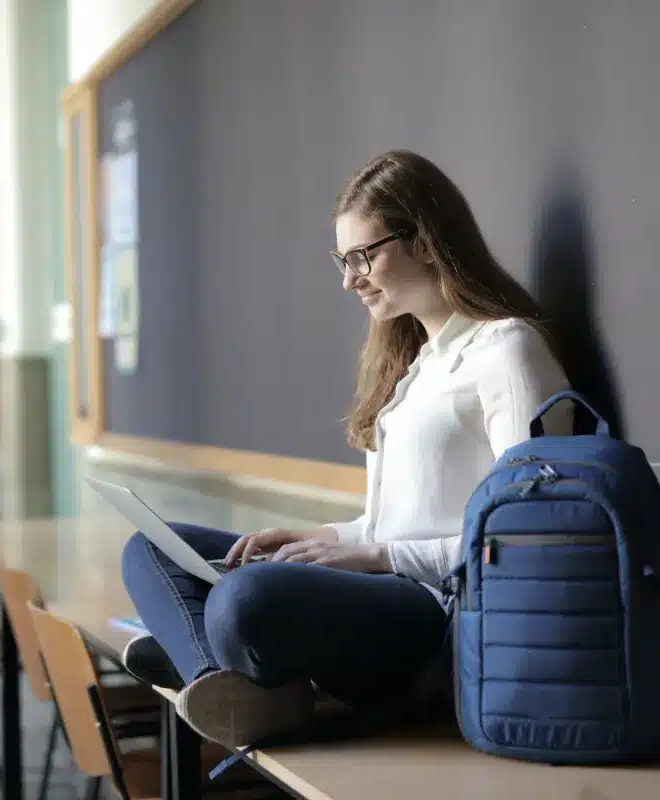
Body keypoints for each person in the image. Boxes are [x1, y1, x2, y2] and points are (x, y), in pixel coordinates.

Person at [120, 150, 572, 748]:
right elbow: (388, 523)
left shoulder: (507, 352)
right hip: (388, 584)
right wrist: (324, 539)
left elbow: (531, 536)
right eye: (343, 259)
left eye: (362, 256)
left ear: (428, 240)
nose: (348, 279)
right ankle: (227, 683)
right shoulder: (414, 366)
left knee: (245, 599)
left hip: (443, 613)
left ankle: (219, 657)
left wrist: (380, 558)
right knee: (150, 547)